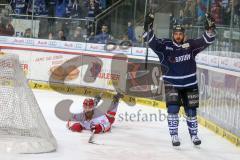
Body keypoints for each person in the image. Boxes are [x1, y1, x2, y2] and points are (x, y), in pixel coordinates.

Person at [143, 13, 216, 146]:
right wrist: (148, 26)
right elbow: (150, 40)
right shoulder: (165, 46)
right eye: (176, 33)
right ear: (172, 35)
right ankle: (174, 136)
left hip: (190, 85)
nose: (178, 36)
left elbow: (206, 40)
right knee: (173, 110)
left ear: (184, 35)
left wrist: (210, 30)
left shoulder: (191, 45)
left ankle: (194, 136)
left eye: (180, 34)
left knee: (191, 112)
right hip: (172, 85)